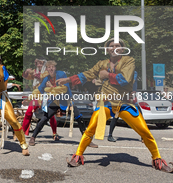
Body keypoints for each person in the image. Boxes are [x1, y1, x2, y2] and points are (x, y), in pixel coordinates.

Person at [57, 38, 173, 173]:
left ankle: (157, 159)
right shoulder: (101, 63)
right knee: (90, 130)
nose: (114, 47)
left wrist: (106, 75)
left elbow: (125, 79)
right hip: (105, 103)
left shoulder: (129, 61)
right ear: (107, 49)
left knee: (145, 132)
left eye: (117, 45)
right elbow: (87, 75)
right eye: (111, 46)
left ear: (122, 49)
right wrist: (68, 79)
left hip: (125, 104)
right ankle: (78, 156)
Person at [28, 60, 97, 148]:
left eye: (53, 66)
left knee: (79, 118)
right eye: (49, 67)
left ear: (55, 68)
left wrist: (50, 87)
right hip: (55, 102)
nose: (51, 68)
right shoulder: (46, 78)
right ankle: (33, 137)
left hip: (66, 100)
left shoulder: (61, 75)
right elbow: (40, 89)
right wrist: (33, 97)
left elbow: (63, 89)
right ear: (47, 69)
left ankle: (88, 141)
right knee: (44, 118)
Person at [22, 58, 59, 139]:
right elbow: (26, 76)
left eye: (41, 64)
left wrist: (32, 73)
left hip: (46, 96)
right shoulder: (35, 72)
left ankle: (54, 133)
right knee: (28, 112)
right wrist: (26, 72)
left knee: (51, 116)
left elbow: (41, 76)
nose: (39, 65)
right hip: (37, 96)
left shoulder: (48, 72)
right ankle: (22, 133)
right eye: (38, 63)